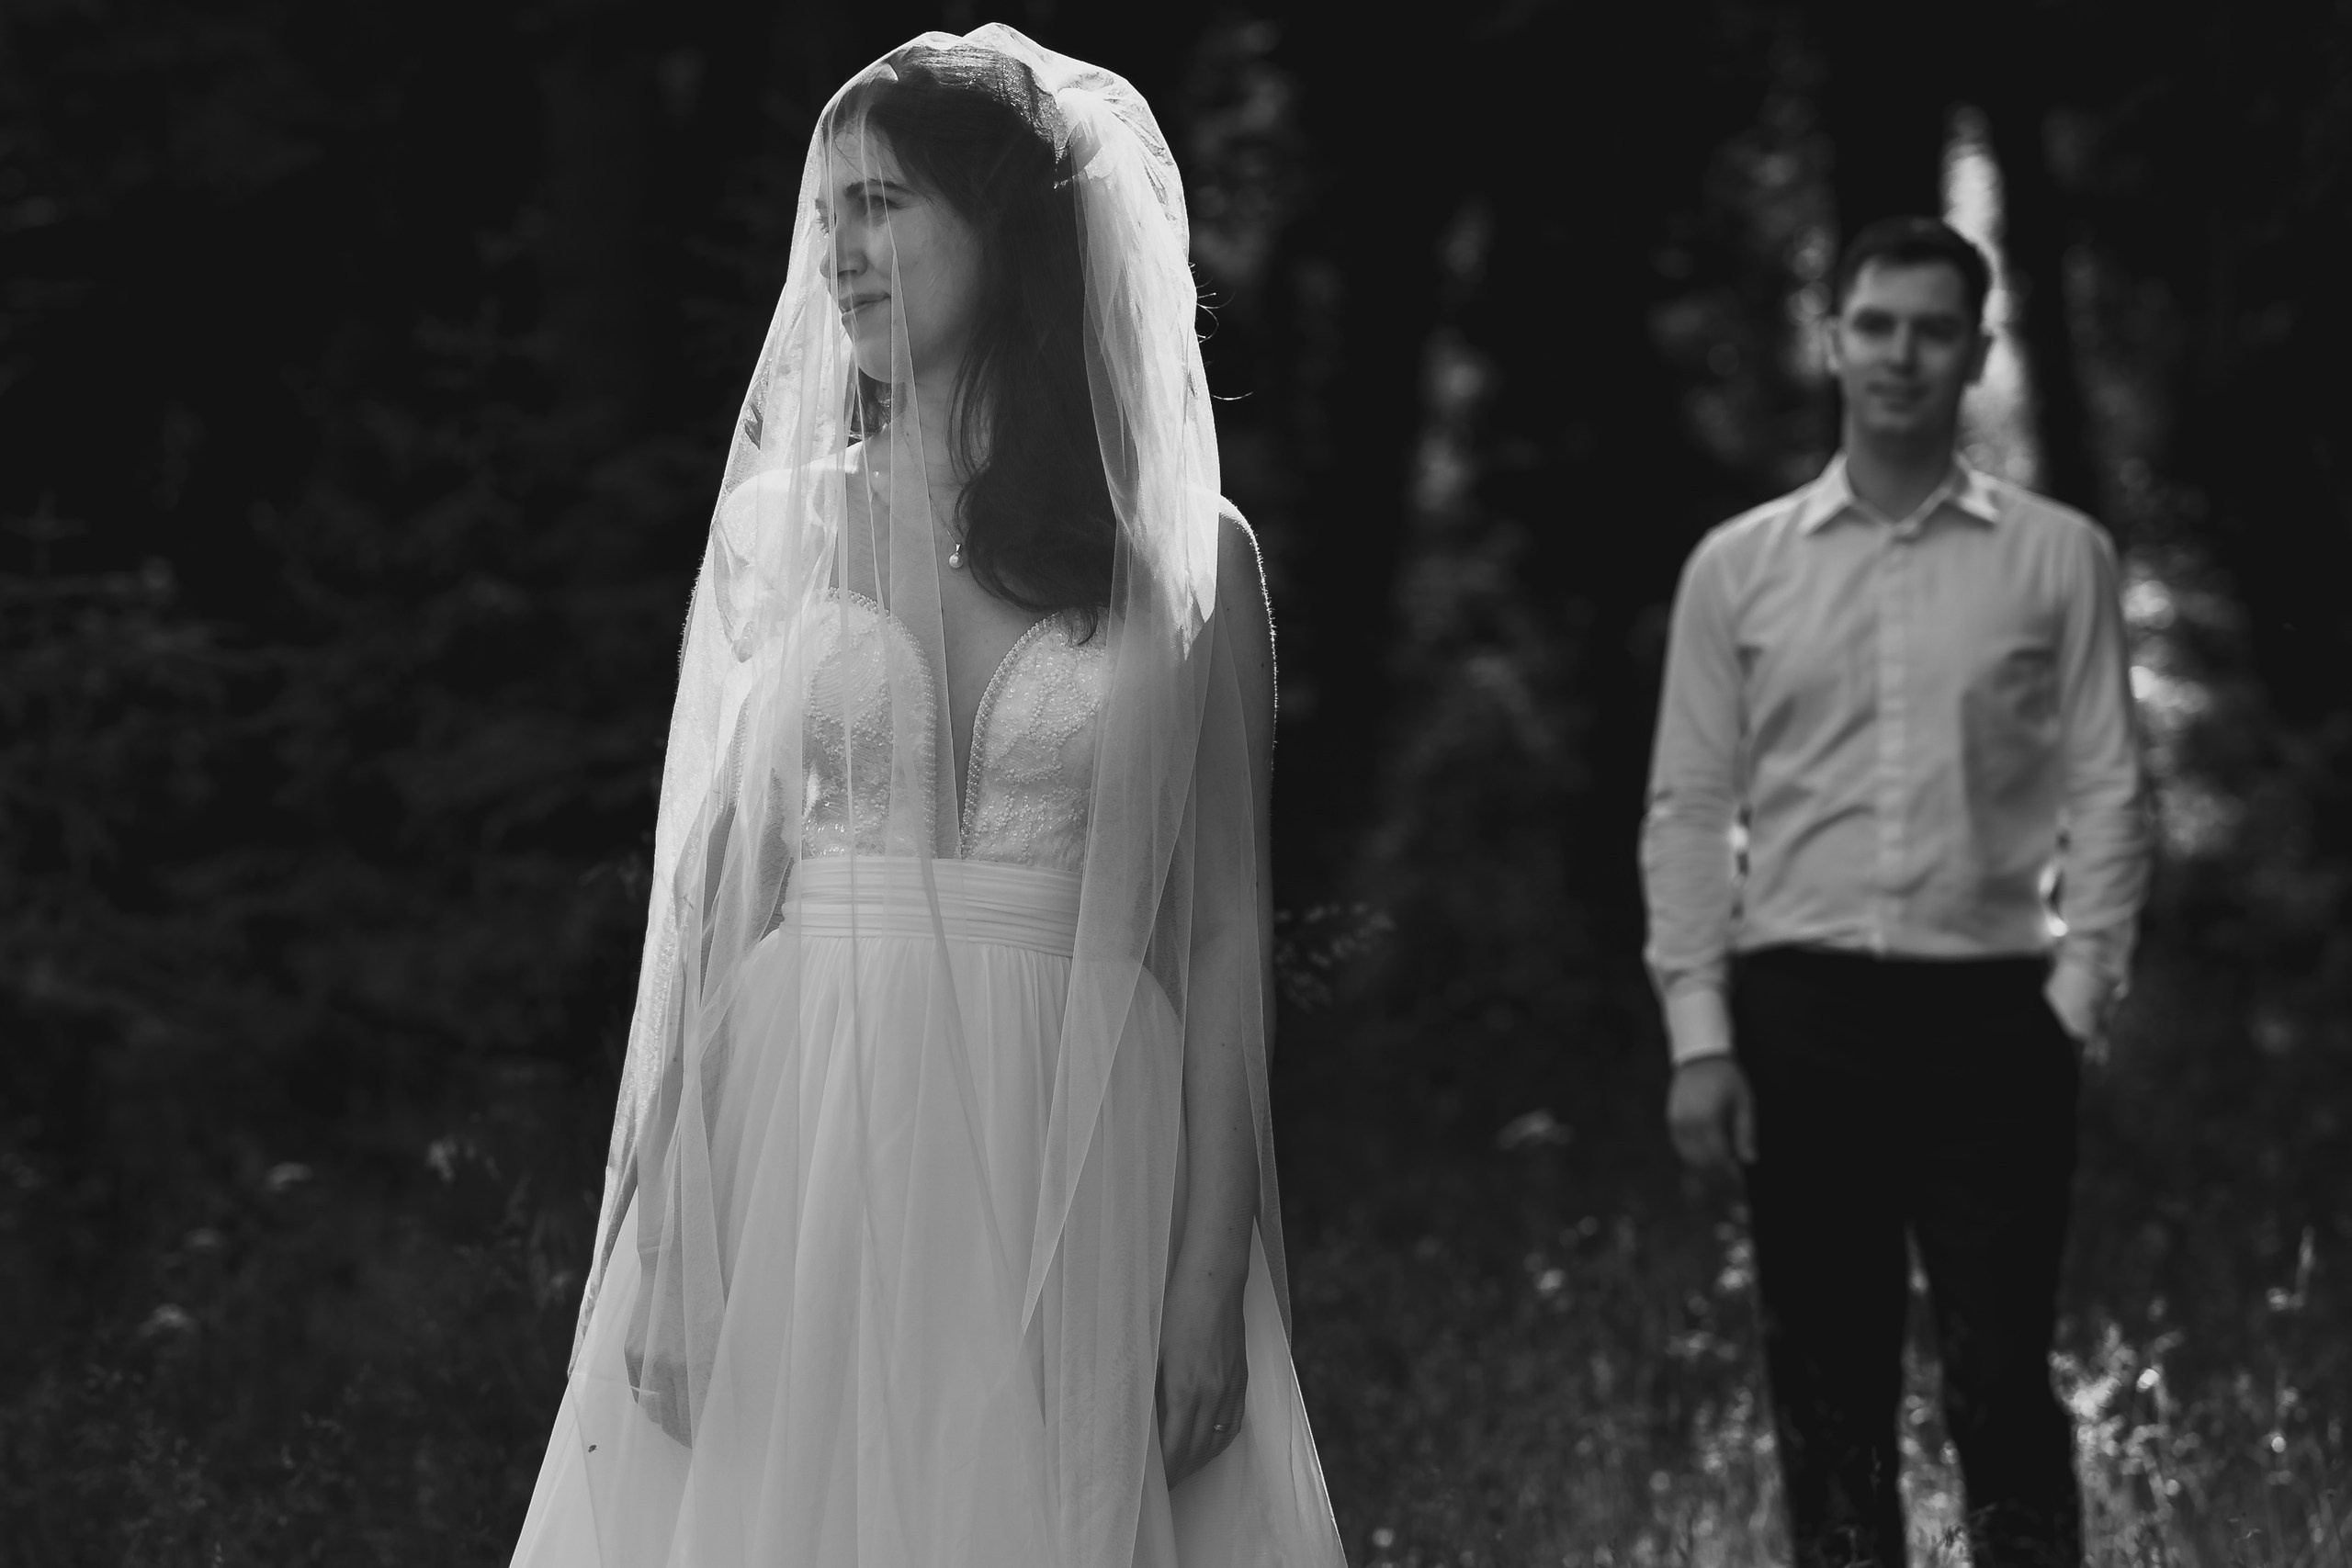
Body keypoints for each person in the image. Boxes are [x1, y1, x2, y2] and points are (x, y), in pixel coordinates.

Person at [509, 28, 1346, 1568]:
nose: (838, 254)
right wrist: (672, 1231)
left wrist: (1207, 1277)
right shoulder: (782, 531)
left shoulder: (1190, 556)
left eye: (883, 207)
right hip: (807, 1123)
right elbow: (716, 901)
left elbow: (1227, 928)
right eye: (826, 213)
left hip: (1081, 1134)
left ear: (1007, 228)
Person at [1640, 216, 2150, 1568]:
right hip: (1800, 1019)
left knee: (2001, 1377)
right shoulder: (1738, 567)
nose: (1901, 355)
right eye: (1875, 325)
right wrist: (1700, 1036)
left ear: (1977, 354)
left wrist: (2077, 995)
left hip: (1998, 1017)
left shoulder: (2061, 559)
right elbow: (1689, 808)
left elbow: (2111, 790)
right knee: (1827, 1394)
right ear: (1833, 342)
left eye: (1934, 331)